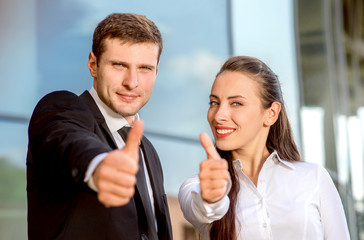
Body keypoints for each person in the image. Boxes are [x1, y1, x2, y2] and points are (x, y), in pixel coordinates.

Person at [26, 13, 172, 240]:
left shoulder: (149, 152)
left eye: (144, 68)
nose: (132, 82)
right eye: (119, 65)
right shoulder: (62, 109)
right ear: (93, 65)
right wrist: (98, 165)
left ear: (156, 71)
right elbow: (69, 142)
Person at [178, 56, 350, 240]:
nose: (219, 115)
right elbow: (202, 209)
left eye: (236, 103)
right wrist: (212, 199)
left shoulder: (313, 178)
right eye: (214, 102)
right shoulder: (196, 187)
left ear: (271, 113)